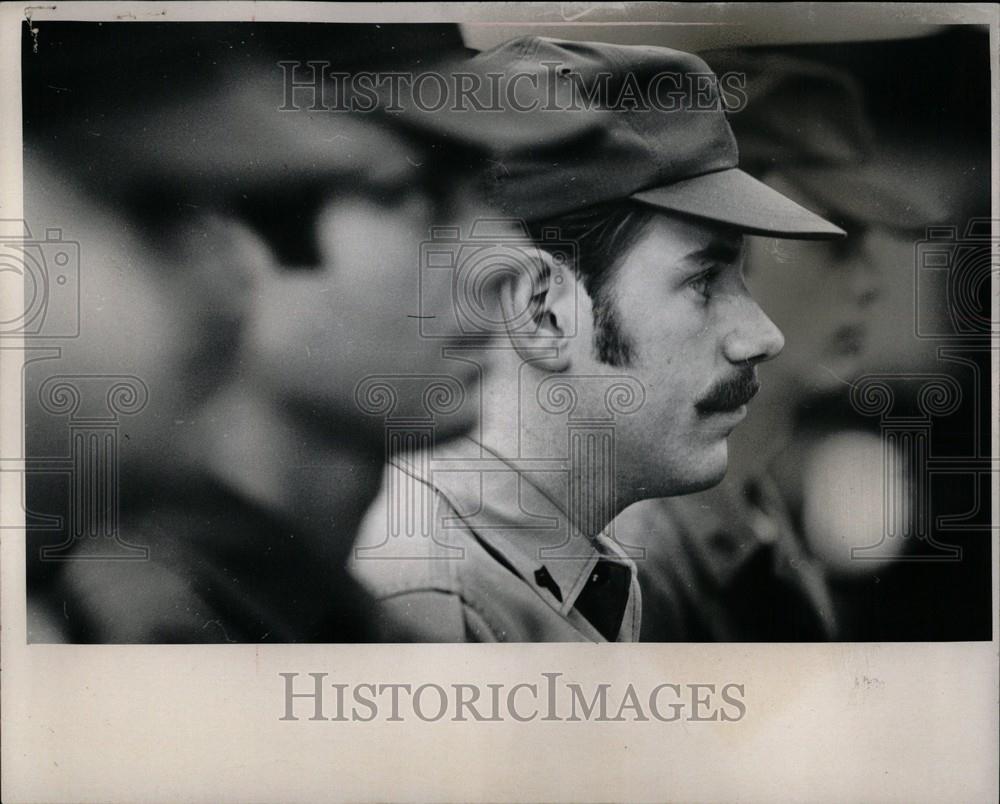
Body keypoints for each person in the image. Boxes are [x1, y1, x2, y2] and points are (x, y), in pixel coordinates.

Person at [23, 23, 591, 642]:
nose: (506, 253)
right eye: (408, 191)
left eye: (481, 188)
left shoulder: (304, 616)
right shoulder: (134, 635)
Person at [349, 37, 845, 642]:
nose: (762, 336)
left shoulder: (567, 573)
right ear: (543, 312)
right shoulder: (439, 604)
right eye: (703, 281)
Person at [609, 51, 953, 641]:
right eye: (834, 239)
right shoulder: (633, 556)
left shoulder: (758, 506)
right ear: (719, 242)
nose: (872, 282)